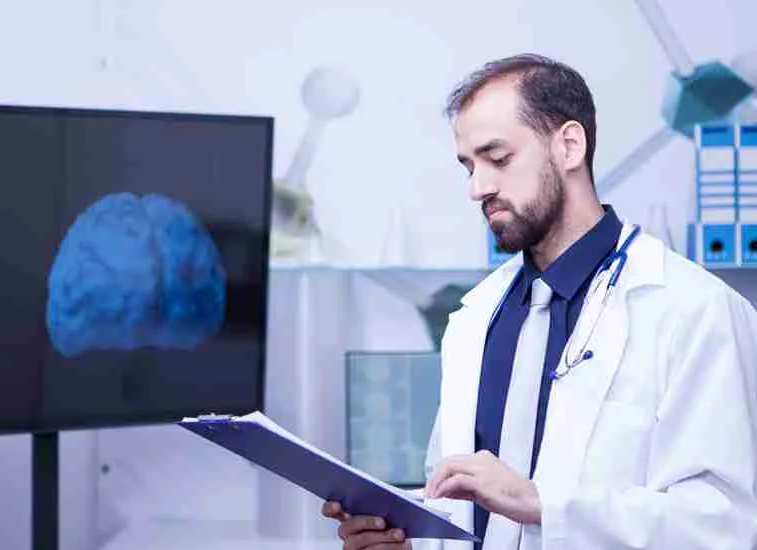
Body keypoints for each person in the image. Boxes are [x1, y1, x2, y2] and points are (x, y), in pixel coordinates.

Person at [322, 53, 757, 549]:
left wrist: (543, 505)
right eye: (468, 166)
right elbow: (460, 512)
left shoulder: (695, 310)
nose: (477, 188)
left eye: (498, 158)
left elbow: (724, 527)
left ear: (569, 145)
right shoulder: (475, 319)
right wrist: (405, 542)